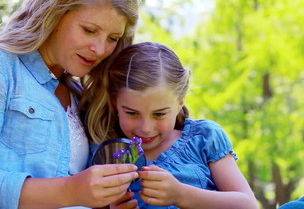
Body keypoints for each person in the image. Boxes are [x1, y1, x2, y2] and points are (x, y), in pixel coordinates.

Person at [0, 0, 140, 208]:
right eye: (89, 30)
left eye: (112, 38)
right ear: (55, 13)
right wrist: (71, 190)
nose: (99, 48)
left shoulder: (82, 98)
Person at [83, 42, 259, 209]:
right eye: (132, 113)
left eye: (159, 114)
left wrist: (181, 195)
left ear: (179, 104)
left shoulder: (203, 138)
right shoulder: (107, 156)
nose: (145, 128)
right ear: (115, 103)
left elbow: (248, 204)